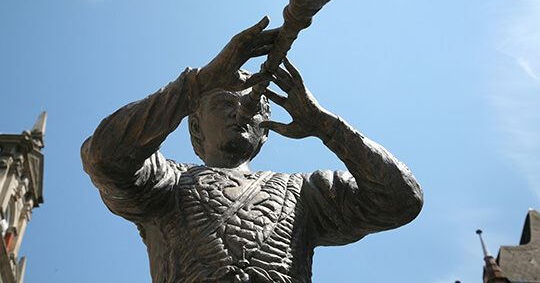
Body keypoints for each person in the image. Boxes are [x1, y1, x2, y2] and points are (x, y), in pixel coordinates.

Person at [81, 17, 423, 283]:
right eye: (223, 103)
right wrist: (197, 83)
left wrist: (327, 127)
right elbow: (102, 157)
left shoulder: (306, 193)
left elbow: (401, 200)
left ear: (265, 132)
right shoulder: (165, 181)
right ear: (196, 127)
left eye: (253, 106)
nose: (240, 111)